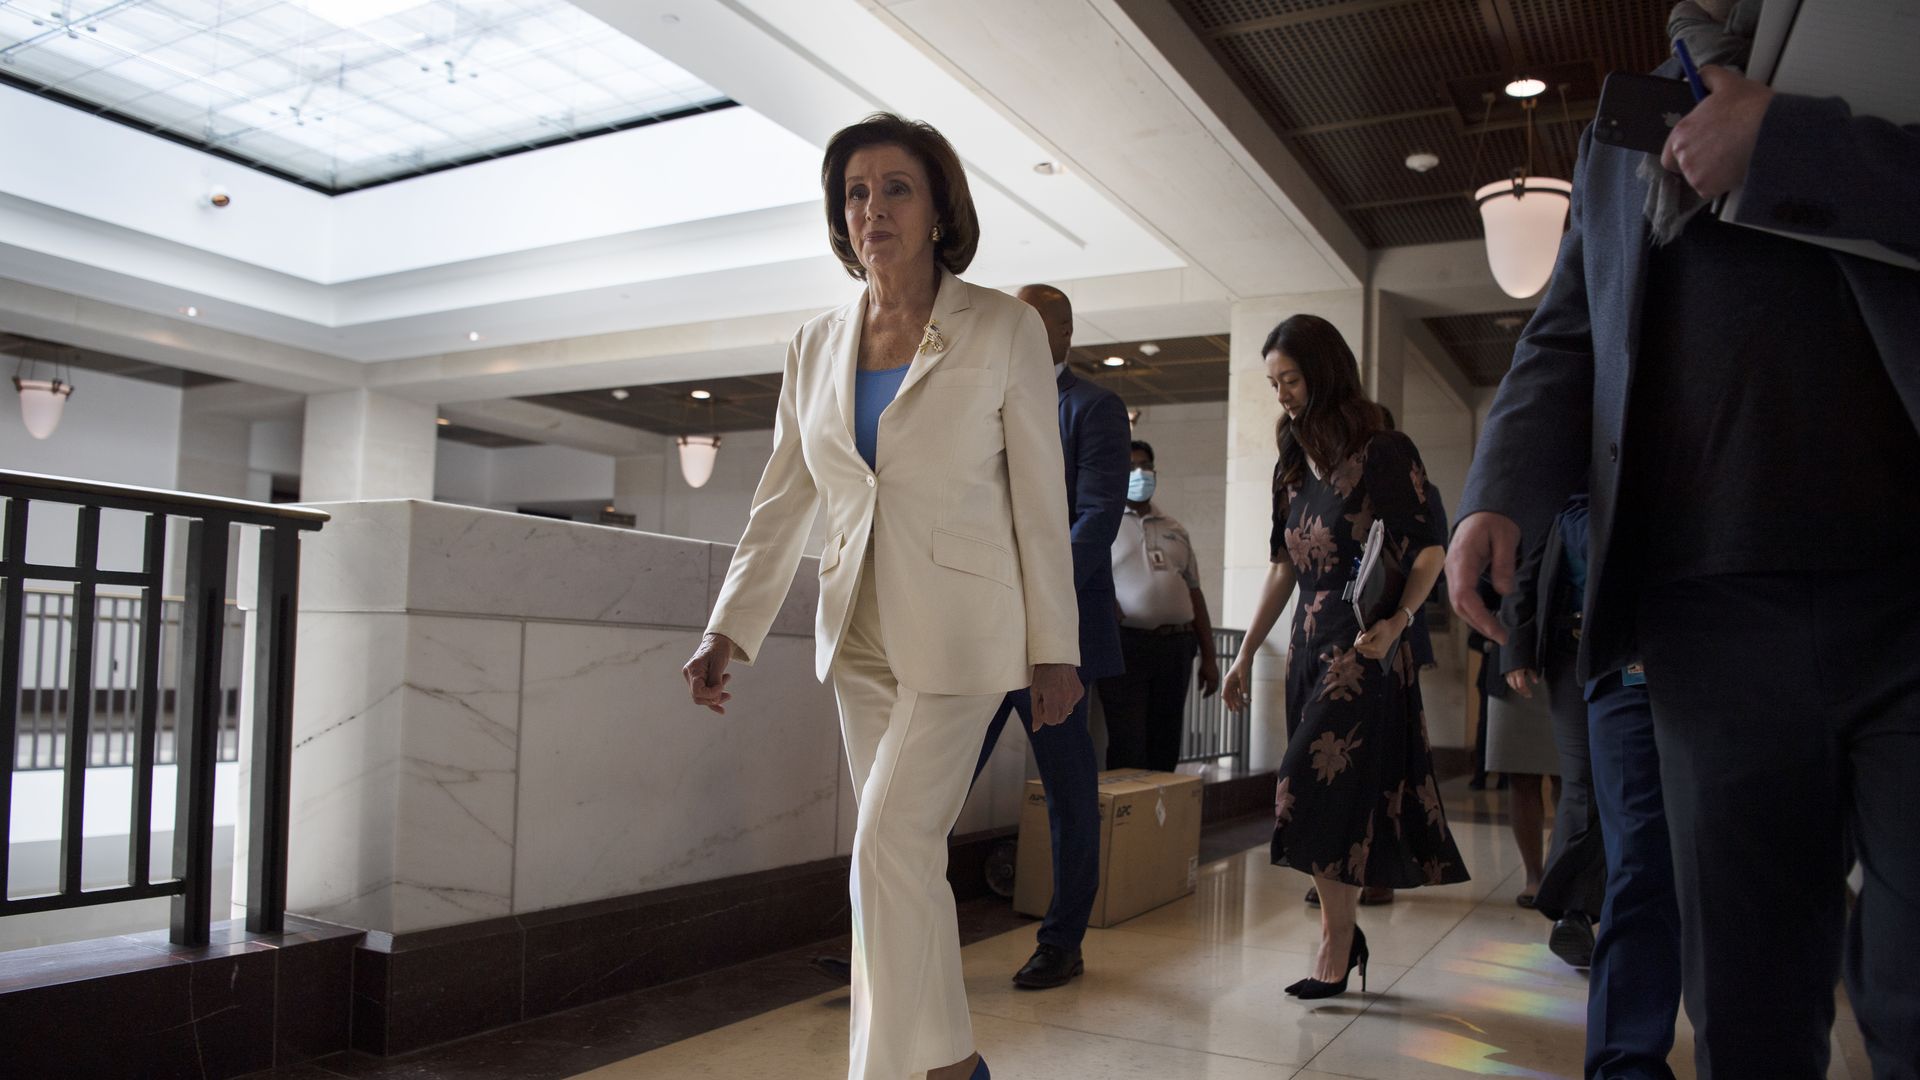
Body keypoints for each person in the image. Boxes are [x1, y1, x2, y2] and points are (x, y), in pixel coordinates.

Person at [1447, 1, 1920, 1072]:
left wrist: (1789, 141)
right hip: (1711, 618)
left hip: (1908, 596)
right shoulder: (1626, 128)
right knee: (1748, 998)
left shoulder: (1891, 43)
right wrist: (1496, 492)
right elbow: (1566, 332)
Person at [682, 113, 1081, 1080]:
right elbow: (786, 495)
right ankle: (950, 1068)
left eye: (895, 188)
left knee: (887, 841)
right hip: (855, 632)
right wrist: (727, 629)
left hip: (963, 633)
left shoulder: (1002, 327)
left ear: (939, 205)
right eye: (856, 193)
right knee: (899, 866)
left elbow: (1039, 499)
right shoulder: (815, 344)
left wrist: (1055, 648)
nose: (873, 209)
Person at [1222, 313, 1468, 1000]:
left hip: (1365, 646)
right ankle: (1343, 930)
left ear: (1323, 371)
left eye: (1291, 379)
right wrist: (1244, 654)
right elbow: (1281, 567)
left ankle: (1335, 938)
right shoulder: (1292, 462)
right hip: (1307, 643)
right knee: (1330, 792)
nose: (1282, 395)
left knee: (1307, 780)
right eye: (1273, 383)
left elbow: (1428, 548)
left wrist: (1400, 623)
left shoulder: (1384, 450)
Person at [967, 283, 1130, 990]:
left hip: (1057, 636)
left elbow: (1096, 517)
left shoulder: (1092, 407)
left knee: (1067, 794)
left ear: (1063, 334)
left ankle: (1062, 942)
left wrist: (1037, 608)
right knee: (932, 785)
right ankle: (887, 934)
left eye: (1034, 324)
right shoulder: (982, 404)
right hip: (975, 633)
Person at [1501, 495, 1606, 966]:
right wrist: (1517, 650)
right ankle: (1575, 913)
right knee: (1581, 779)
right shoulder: (1564, 503)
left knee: (1627, 786)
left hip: (1644, 654)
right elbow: (1530, 577)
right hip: (1571, 656)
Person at [1098, 440, 1220, 771]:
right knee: (1129, 744)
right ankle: (1125, 822)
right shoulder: (1103, 524)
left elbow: (1194, 592)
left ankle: (1159, 820)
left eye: (1145, 467)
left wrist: (1209, 657)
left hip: (1177, 646)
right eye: (1131, 467)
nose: (1140, 474)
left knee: (1165, 743)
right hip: (1126, 647)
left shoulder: (1174, 528)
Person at [1487, 589, 1561, 910]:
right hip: (1511, 641)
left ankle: (1563, 872)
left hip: (1568, 644)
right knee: (1521, 772)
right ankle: (1534, 875)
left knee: (1572, 777)